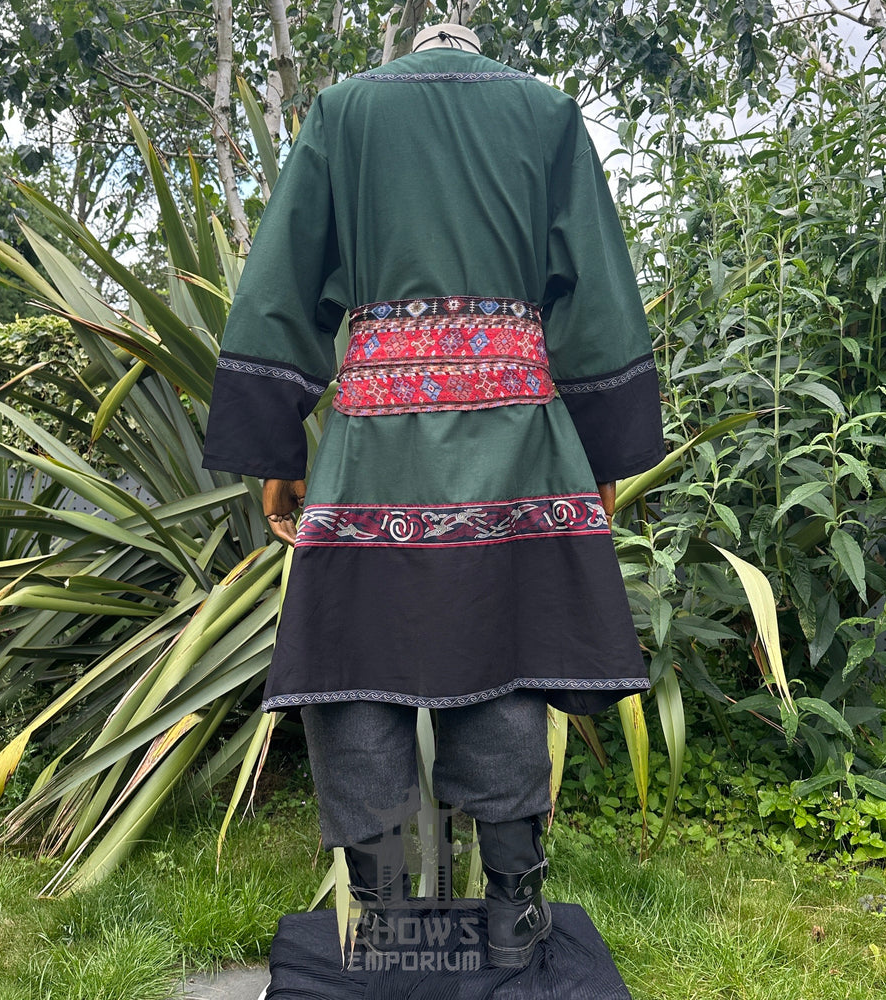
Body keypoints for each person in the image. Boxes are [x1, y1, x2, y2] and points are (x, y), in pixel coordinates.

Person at [201, 21, 664, 970]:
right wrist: (604, 444)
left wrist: (275, 441)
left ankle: (378, 918)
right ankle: (512, 917)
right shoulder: (546, 112)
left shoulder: (344, 112)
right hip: (519, 440)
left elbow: (281, 283)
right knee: (508, 651)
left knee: (354, 655)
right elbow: (600, 292)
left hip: (373, 442)